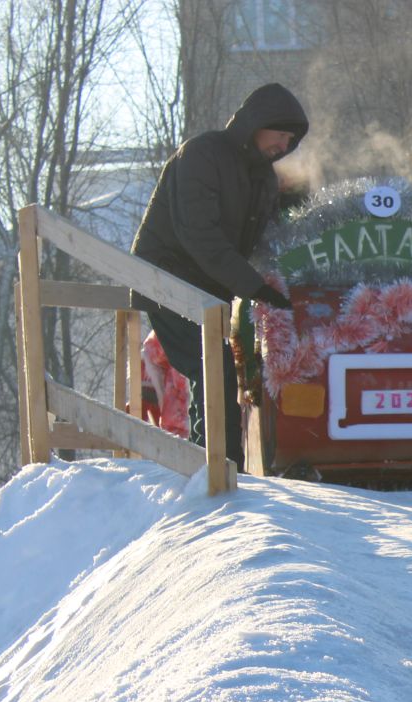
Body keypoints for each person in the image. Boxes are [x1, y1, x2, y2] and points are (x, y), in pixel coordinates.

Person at [131, 83, 308, 469]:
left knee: (215, 367)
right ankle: (218, 470)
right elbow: (200, 234)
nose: (284, 145)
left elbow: (267, 234)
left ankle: (215, 466)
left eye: (290, 140)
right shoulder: (202, 154)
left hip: (209, 289)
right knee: (212, 366)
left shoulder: (263, 179)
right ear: (258, 123)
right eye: (280, 134)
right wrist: (253, 286)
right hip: (167, 279)